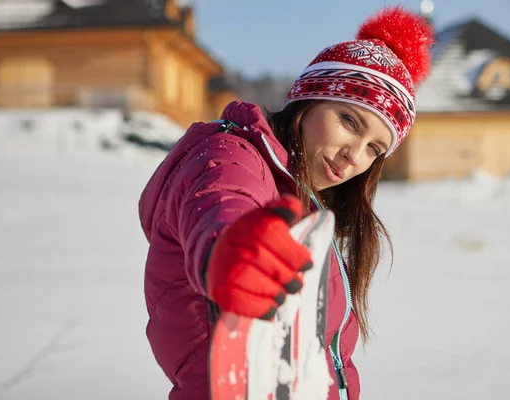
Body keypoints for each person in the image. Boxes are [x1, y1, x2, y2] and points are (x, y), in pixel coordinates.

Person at [138, 5, 434, 399]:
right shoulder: (233, 155)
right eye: (349, 121)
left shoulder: (304, 198)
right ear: (308, 100)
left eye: (374, 148)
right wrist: (231, 252)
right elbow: (224, 204)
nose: (354, 156)